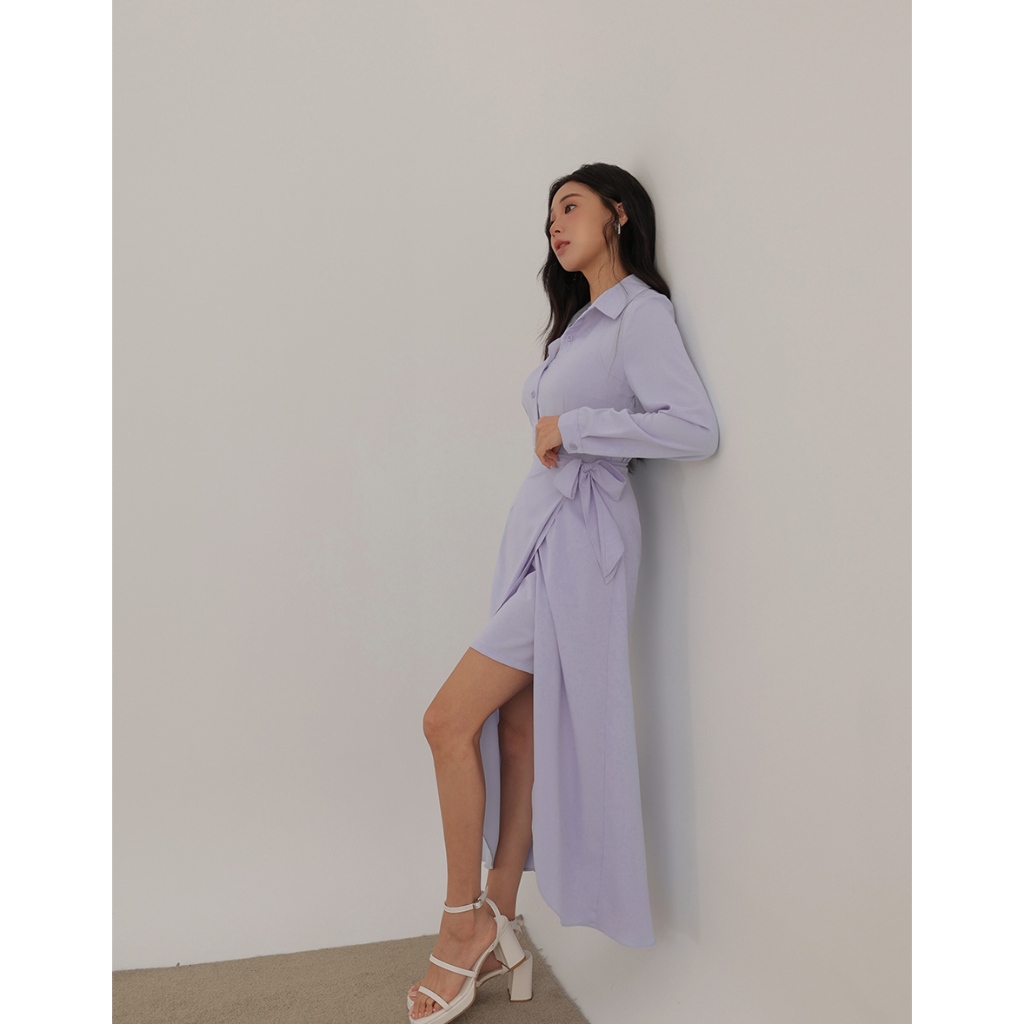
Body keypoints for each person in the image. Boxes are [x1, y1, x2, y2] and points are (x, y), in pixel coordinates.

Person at [406, 163, 719, 1023]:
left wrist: (575, 426)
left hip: (585, 546)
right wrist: (566, 427)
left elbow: (694, 428)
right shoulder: (579, 325)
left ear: (619, 214)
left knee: (445, 721)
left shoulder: (640, 315)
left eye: (571, 206)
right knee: (514, 730)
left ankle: (463, 923)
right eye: (548, 214)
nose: (555, 222)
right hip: (543, 538)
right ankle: (501, 913)